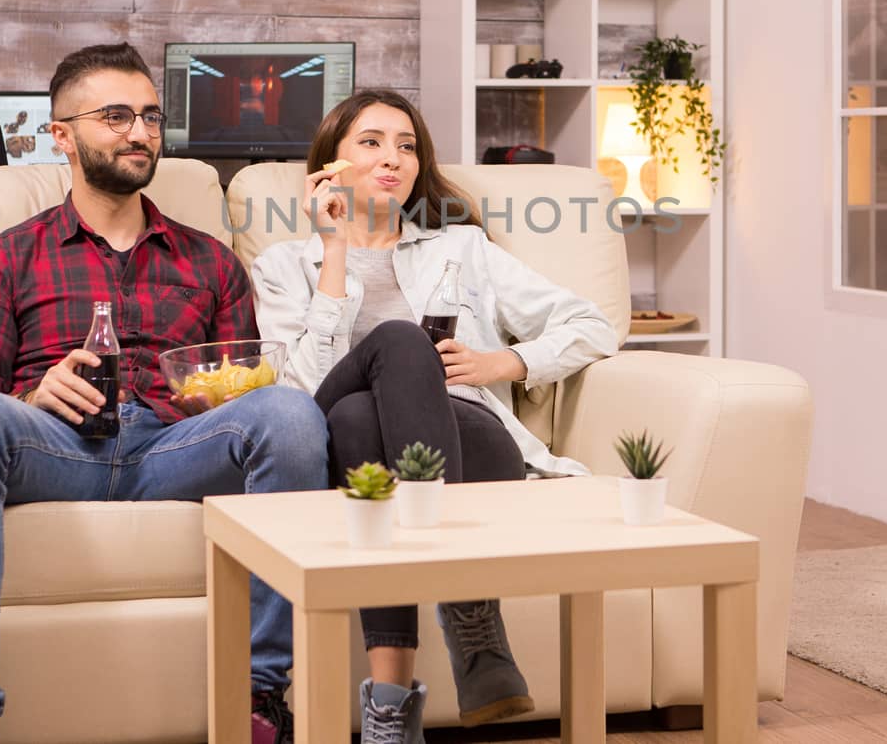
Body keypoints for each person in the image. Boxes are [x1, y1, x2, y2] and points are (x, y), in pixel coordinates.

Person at [0, 43, 327, 744]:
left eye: (150, 116)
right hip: (56, 447)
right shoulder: (8, 256)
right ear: (63, 135)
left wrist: (216, 395)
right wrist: (33, 394)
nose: (140, 132)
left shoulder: (211, 260)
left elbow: (245, 385)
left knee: (289, 412)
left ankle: (260, 698)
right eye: (116, 116)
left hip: (176, 447)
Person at [251, 90, 617, 744]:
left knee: (371, 416)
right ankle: (471, 617)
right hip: (341, 444)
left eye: (407, 144)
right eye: (371, 142)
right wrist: (334, 254)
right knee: (386, 361)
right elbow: (294, 395)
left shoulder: (462, 249)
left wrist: (504, 362)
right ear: (329, 164)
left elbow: (591, 323)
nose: (392, 157)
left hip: (476, 447)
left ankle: (388, 713)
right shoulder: (284, 265)